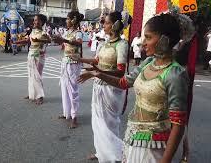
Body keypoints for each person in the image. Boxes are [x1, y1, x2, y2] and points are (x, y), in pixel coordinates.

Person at [78, 13, 190, 163]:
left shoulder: (175, 74)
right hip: (133, 138)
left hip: (155, 147)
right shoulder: (148, 62)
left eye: (148, 37)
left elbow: (178, 125)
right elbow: (124, 83)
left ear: (165, 40)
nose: (142, 43)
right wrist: (97, 73)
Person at [72, 11, 128, 162]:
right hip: (98, 85)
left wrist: (96, 73)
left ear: (115, 25)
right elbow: (96, 60)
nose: (104, 25)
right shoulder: (103, 43)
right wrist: (80, 59)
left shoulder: (122, 44)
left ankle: (116, 154)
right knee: (97, 122)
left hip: (111, 88)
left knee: (109, 123)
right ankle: (102, 153)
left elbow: (120, 71)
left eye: (107, 22)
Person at [52, 9, 84, 129]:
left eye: (68, 18)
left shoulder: (78, 32)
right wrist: (56, 39)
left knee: (73, 89)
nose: (66, 21)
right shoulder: (67, 31)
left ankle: (74, 116)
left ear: (73, 20)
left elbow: (79, 43)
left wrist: (64, 40)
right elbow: (63, 44)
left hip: (74, 63)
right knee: (65, 87)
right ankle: (67, 113)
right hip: (65, 62)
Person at [13, 14, 50, 105]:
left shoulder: (44, 33)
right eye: (34, 20)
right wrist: (16, 42)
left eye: (36, 20)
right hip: (31, 55)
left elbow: (49, 40)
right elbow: (28, 41)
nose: (34, 22)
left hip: (39, 57)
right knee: (31, 75)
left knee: (37, 76)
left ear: (41, 22)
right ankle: (32, 94)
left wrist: (39, 41)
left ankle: (40, 96)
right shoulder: (33, 31)